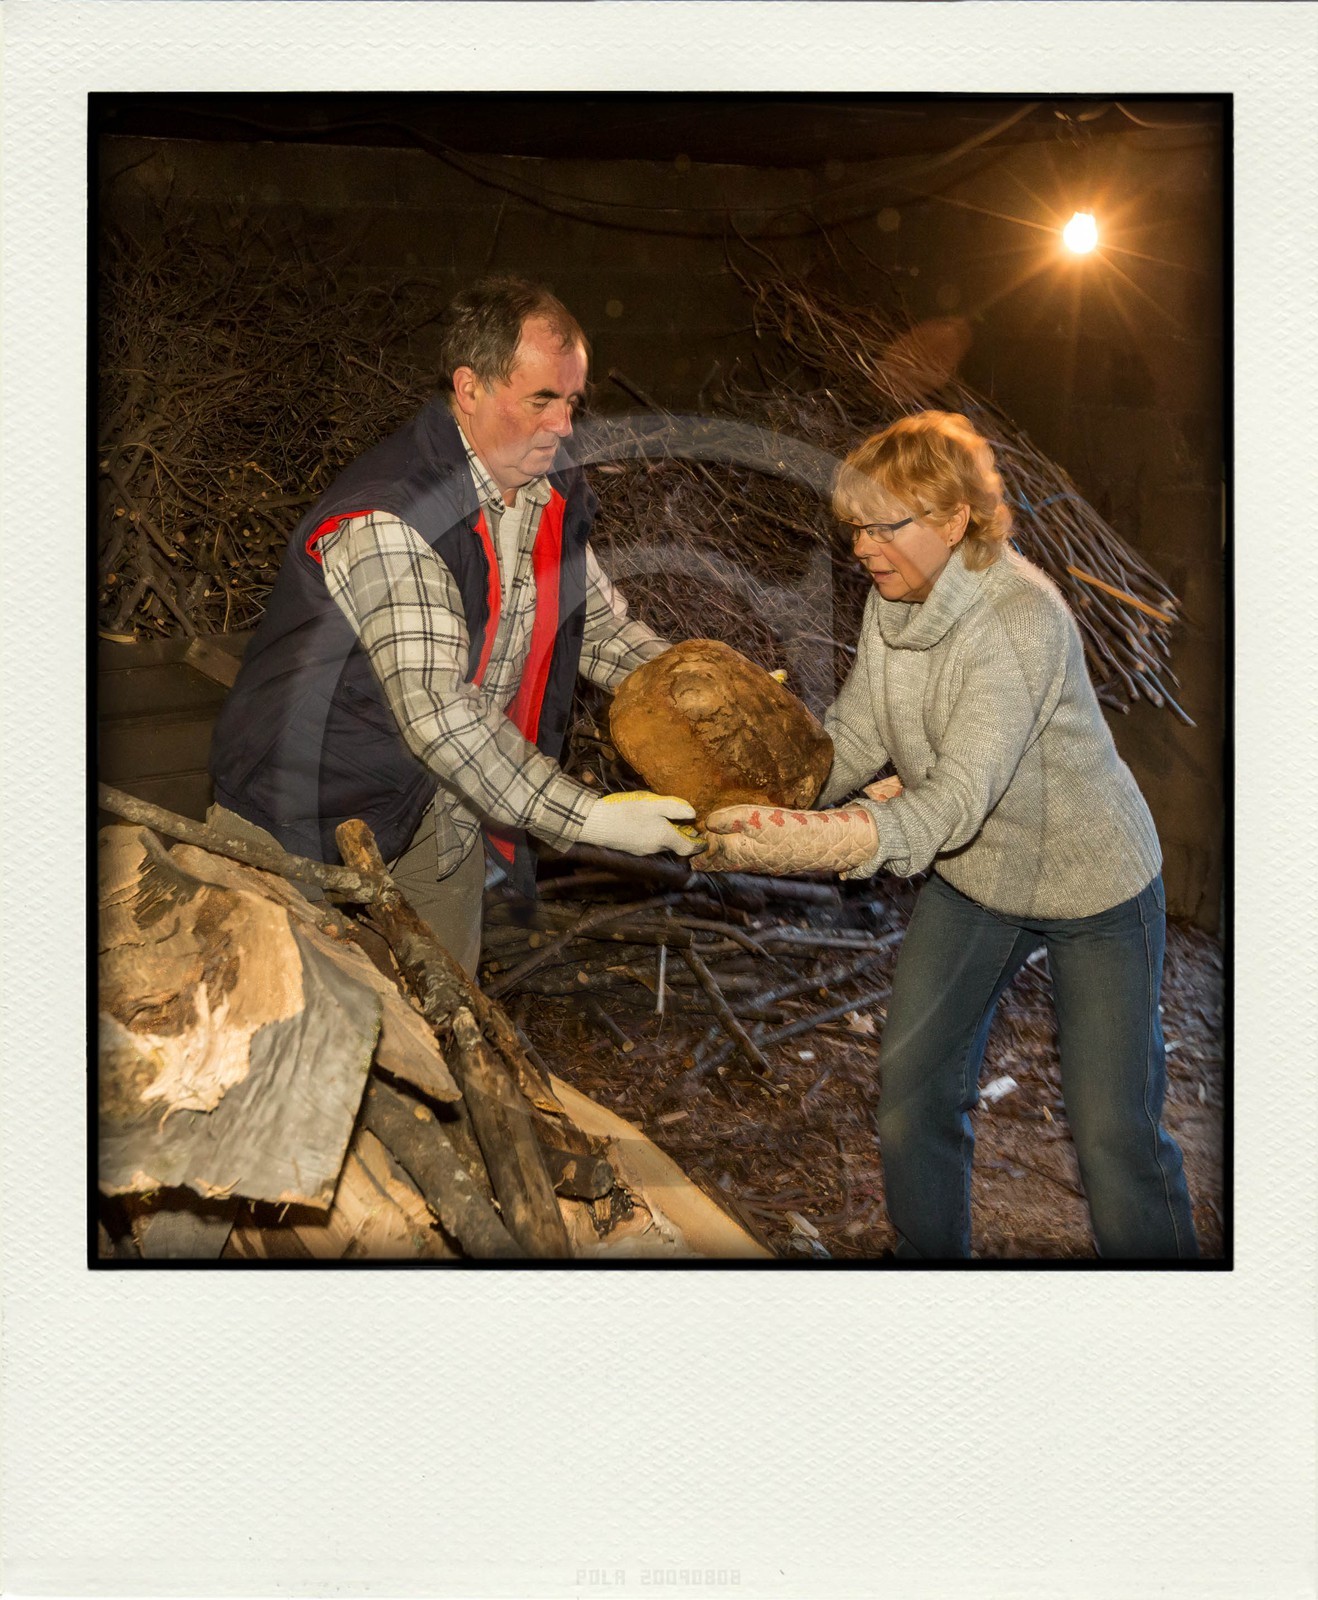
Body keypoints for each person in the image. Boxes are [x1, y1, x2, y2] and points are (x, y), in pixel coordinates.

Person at [698, 410, 1198, 1260]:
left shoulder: (1016, 621)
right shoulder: (891, 603)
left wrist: (818, 842)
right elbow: (858, 734)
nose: (861, 546)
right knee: (913, 1093)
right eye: (853, 526)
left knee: (1114, 1131)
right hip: (982, 877)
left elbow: (954, 800)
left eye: (882, 526)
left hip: (1094, 882)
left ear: (954, 520)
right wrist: (770, 796)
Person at [209, 276, 699, 973]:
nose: (564, 427)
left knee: (444, 1026)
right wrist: (590, 819)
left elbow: (597, 629)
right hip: (300, 810)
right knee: (286, 1036)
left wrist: (704, 694)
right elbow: (439, 710)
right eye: (541, 401)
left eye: (572, 402)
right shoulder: (390, 514)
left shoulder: (544, 489)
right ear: (469, 389)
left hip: (440, 809)